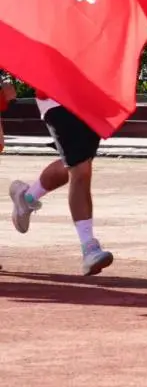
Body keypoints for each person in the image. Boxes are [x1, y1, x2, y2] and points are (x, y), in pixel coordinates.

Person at [9, 92, 114, 276]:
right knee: (80, 168)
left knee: (78, 163)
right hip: (56, 96)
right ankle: (89, 247)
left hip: (91, 95)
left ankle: (27, 197)